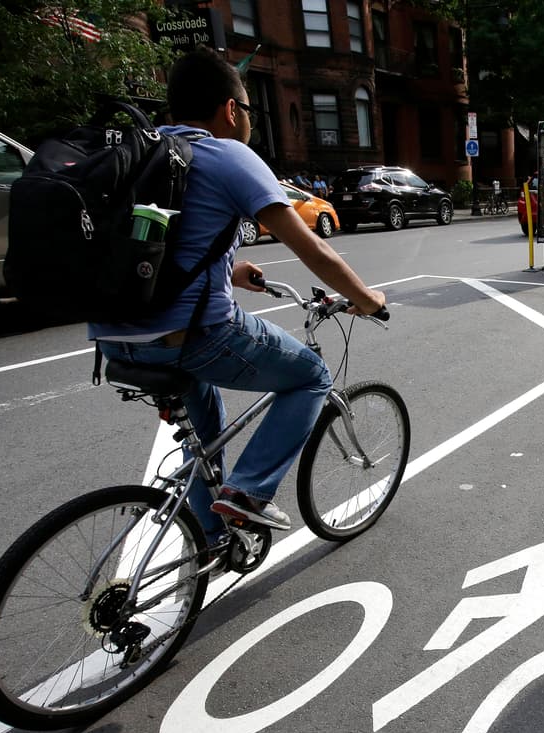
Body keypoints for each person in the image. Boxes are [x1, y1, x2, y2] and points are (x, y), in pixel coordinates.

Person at [91, 48, 385, 545]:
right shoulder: (227, 155)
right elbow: (312, 248)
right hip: (192, 338)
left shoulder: (140, 152)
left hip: (113, 339)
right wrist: (368, 297)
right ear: (232, 110)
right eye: (247, 110)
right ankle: (247, 494)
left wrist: (226, 270)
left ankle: (211, 537)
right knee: (311, 377)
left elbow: (152, 248)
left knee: (204, 415)